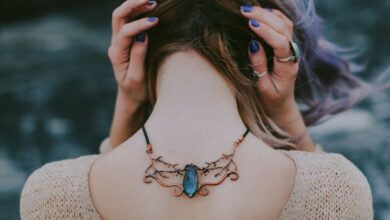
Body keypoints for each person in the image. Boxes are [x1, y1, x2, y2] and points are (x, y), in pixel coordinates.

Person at [20, 0, 375, 219]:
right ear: (262, 53)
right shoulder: (336, 188)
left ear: (134, 50)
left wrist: (128, 102)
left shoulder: (51, 194)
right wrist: (284, 110)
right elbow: (321, 192)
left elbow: (89, 183)